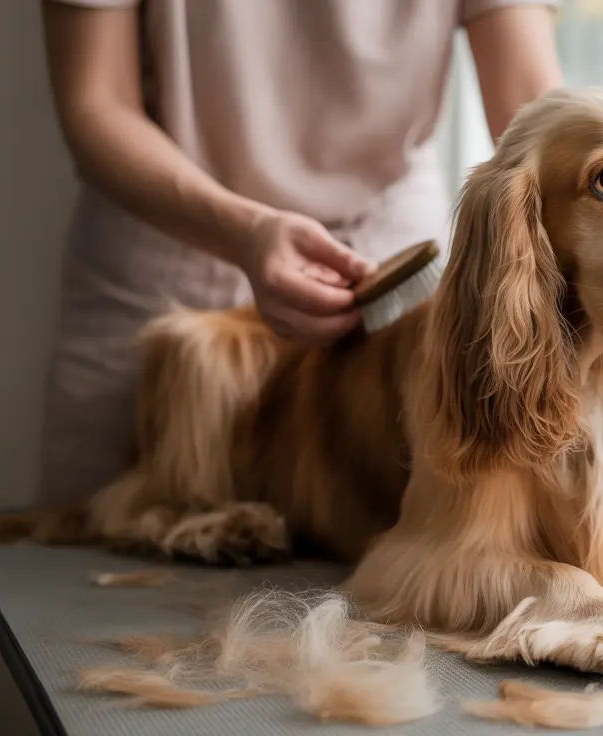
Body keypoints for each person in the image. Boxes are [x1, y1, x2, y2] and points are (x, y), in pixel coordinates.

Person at [36, 0, 564, 507]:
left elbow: (530, 103)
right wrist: (244, 233)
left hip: (388, 262)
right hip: (168, 259)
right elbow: (96, 101)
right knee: (106, 541)